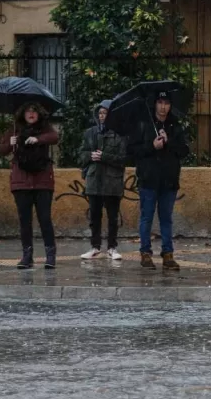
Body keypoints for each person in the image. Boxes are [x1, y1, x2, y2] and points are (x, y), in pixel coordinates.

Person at [128, 91, 190, 270]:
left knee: (166, 218)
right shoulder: (143, 124)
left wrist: (169, 142)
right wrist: (152, 146)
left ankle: (168, 254)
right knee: (146, 217)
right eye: (160, 102)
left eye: (167, 103)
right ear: (155, 104)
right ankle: (145, 253)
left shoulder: (175, 125)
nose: (163, 107)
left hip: (169, 179)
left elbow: (184, 150)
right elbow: (133, 151)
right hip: (148, 179)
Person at [0, 102, 60, 269]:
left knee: (44, 219)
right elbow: (1, 149)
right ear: (22, 114)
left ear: (39, 114)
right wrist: (10, 143)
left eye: (34, 111)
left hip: (43, 181)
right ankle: (27, 256)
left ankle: (50, 255)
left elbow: (55, 137)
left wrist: (38, 139)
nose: (31, 114)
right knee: (25, 221)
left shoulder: (45, 128)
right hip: (21, 182)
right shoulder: (15, 129)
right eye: (27, 111)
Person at [80, 99, 127, 261]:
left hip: (112, 183)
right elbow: (81, 155)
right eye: (100, 113)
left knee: (113, 217)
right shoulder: (90, 133)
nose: (102, 116)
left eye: (105, 113)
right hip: (94, 181)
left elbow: (122, 159)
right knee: (94, 216)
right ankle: (95, 247)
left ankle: (112, 247)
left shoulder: (119, 135)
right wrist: (90, 156)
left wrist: (104, 156)